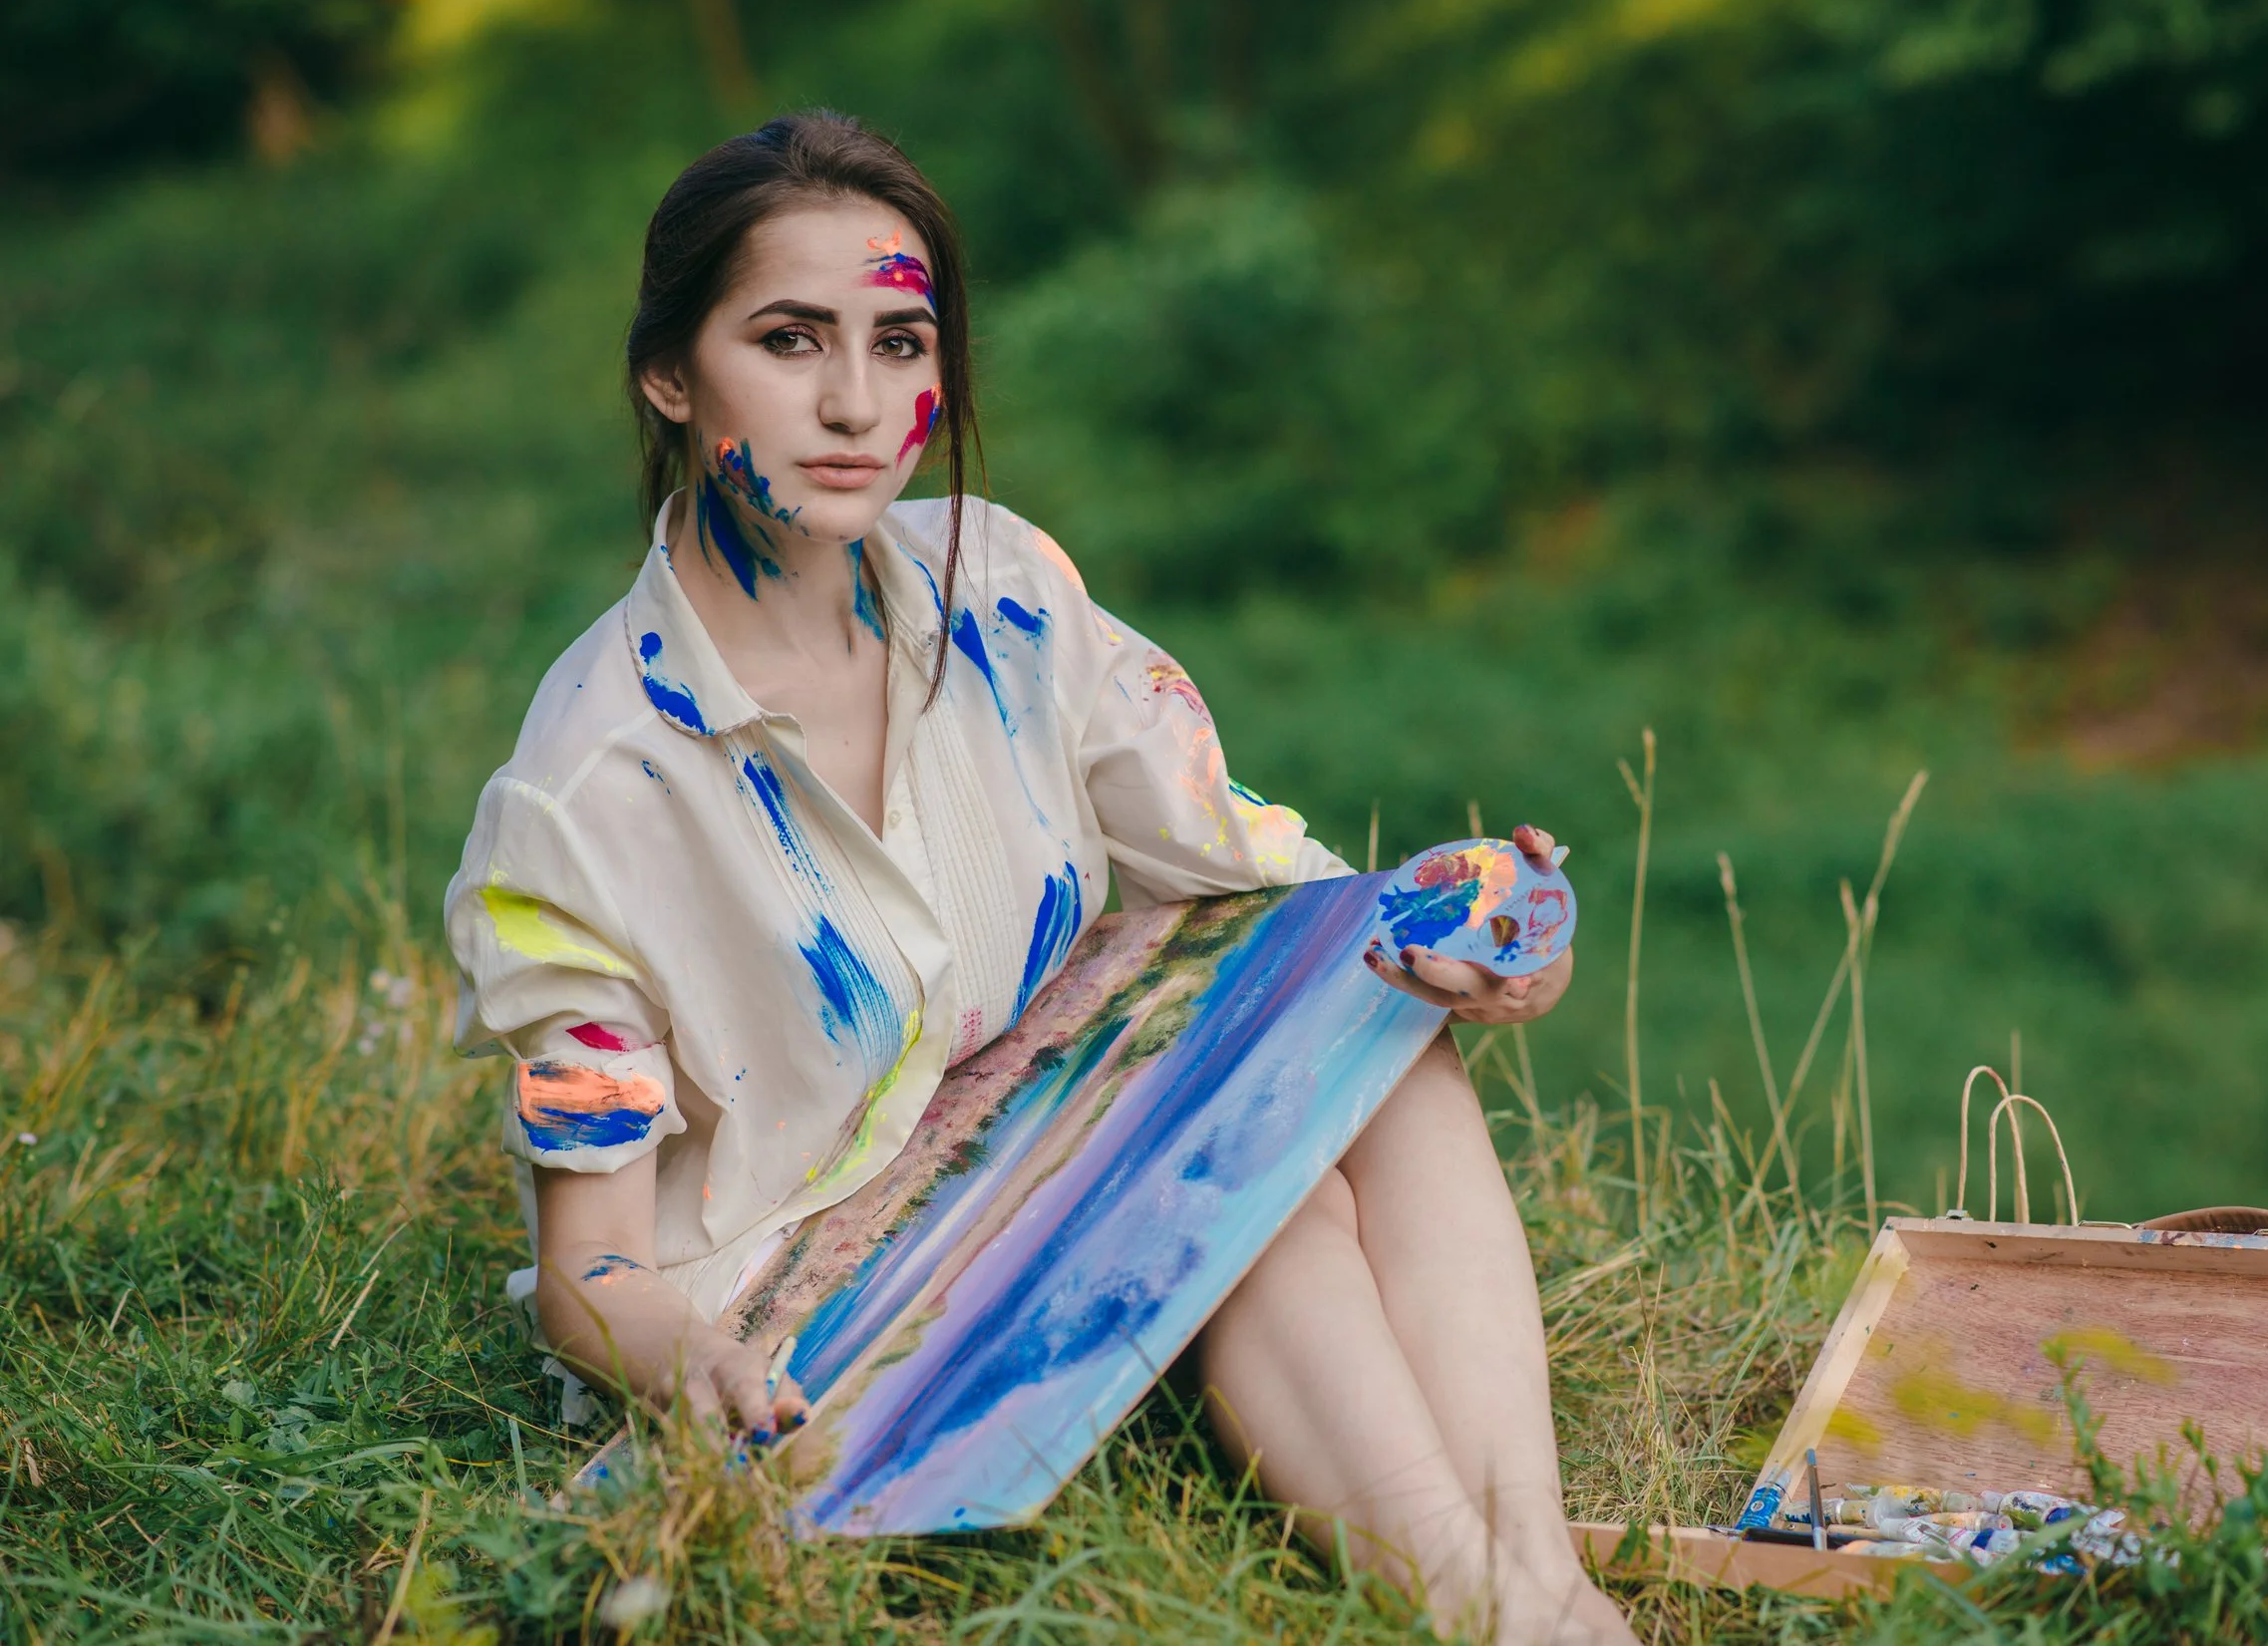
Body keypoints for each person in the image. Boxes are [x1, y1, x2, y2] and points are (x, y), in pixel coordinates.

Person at [444, 111, 1634, 1645]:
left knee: (1365, 1006)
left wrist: (1478, 936)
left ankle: (1546, 1580)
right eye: (791, 341)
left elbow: (1272, 883)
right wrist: (697, 1370)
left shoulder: (1002, 590)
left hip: (1034, 1146)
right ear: (670, 374)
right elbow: (586, 1273)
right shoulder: (583, 794)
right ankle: (1501, 1620)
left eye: (900, 341)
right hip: (804, 1327)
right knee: (1239, 1196)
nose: (857, 403)